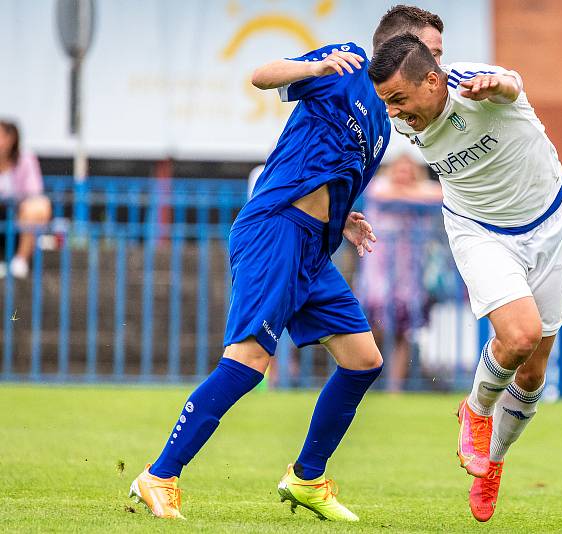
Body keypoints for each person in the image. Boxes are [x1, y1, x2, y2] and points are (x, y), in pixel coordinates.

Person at [128, 8, 445, 522]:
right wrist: (312, 69)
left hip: (314, 247)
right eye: (432, 50)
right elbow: (260, 75)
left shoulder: (387, 122)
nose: (438, 62)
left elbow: (324, 167)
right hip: (275, 229)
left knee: (364, 359)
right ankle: (159, 475)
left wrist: (341, 220)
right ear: (403, 46)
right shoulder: (348, 65)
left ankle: (307, 477)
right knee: (251, 360)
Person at [369, 35, 562, 522]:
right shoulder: (404, 117)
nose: (394, 113)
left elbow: (510, 85)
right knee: (519, 334)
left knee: (533, 371)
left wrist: (497, 84)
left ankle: (493, 463)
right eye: (387, 103)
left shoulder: (467, 84)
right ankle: (477, 411)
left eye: (400, 100)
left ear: (434, 80)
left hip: (548, 222)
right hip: (478, 228)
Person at [359, 153, 442, 391]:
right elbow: (379, 194)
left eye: (409, 171)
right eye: (399, 170)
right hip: (378, 274)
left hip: (408, 277)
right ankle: (364, 377)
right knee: (372, 326)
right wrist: (410, 196)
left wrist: (406, 194)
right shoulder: (378, 186)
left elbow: (440, 194)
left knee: (403, 331)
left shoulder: (426, 190)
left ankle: (394, 386)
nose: (403, 176)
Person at [0, 120, 52, 279]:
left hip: (17, 213)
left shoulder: (25, 159)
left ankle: (20, 261)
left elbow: (33, 192)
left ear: (11, 138)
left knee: (39, 207)